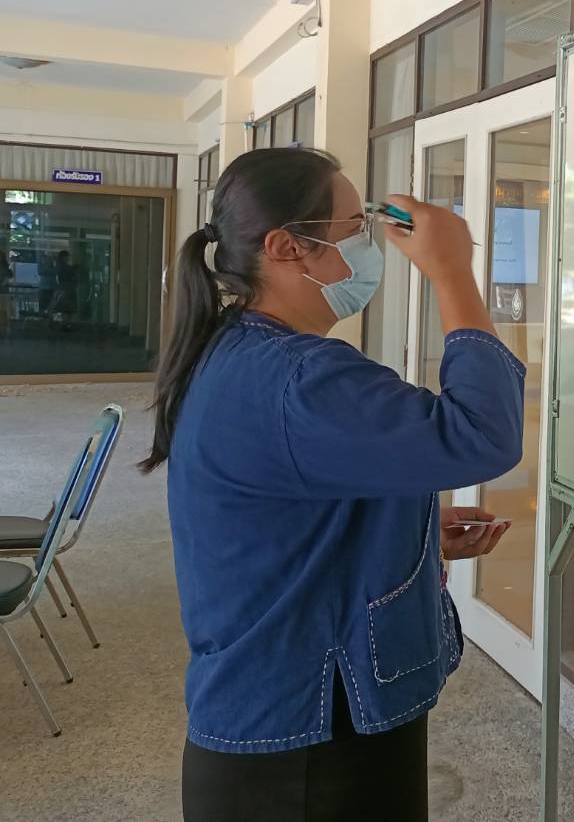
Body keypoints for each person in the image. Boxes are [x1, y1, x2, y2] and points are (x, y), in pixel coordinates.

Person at [143, 147, 524, 821]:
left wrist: (407, 531)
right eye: (356, 227)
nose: (370, 245)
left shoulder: (240, 349)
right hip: (309, 743)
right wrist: (453, 274)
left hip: (283, 713)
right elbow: (479, 434)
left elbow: (279, 509)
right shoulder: (300, 379)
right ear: (288, 247)